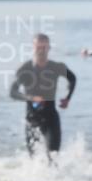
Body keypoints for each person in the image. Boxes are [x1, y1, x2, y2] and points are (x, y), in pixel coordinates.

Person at [9, 33, 77, 162]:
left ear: (49, 48)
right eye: (38, 47)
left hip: (51, 118)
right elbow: (12, 92)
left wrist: (68, 98)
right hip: (32, 119)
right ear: (33, 48)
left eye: (44, 47)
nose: (41, 50)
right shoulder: (25, 69)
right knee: (34, 160)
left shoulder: (56, 67)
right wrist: (30, 97)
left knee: (53, 156)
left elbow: (73, 79)